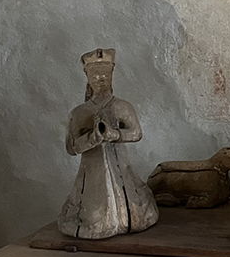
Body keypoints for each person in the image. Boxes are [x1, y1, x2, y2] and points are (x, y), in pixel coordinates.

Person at [58, 48, 158, 239]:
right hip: (92, 175)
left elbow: (136, 133)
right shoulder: (79, 113)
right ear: (87, 76)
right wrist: (92, 138)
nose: (101, 78)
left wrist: (114, 134)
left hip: (122, 171)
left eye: (105, 73)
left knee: (137, 216)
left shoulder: (121, 106)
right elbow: (72, 147)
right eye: (95, 74)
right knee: (96, 221)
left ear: (112, 74)